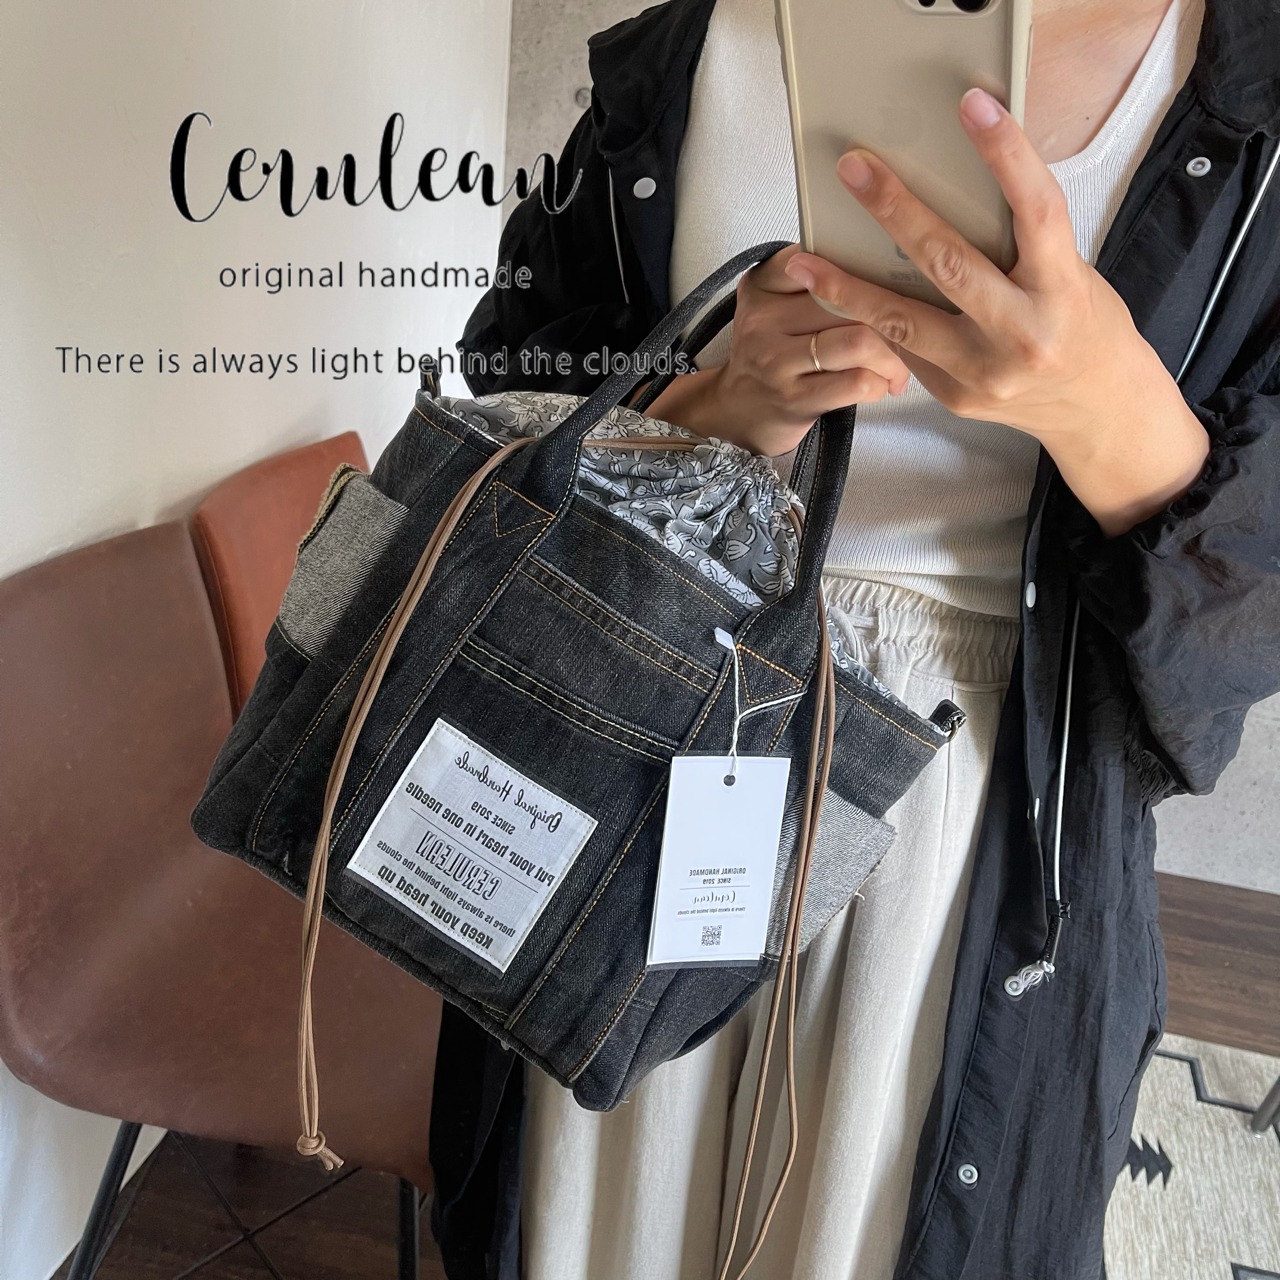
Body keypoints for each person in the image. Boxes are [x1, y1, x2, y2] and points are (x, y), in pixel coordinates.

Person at [428, 0, 1280, 1276]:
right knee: (593, 1229)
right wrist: (704, 407)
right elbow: (510, 394)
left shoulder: (1251, 104)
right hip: (652, 736)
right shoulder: (679, 53)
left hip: (980, 809)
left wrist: (1113, 416)